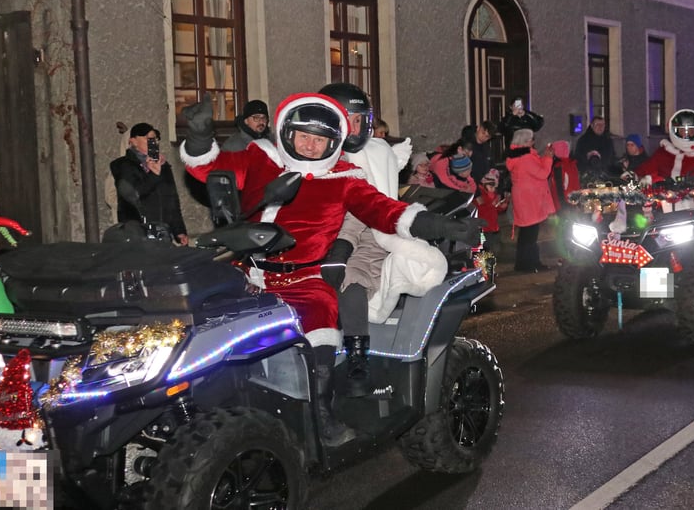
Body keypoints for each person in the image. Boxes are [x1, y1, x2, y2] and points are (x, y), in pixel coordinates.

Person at [179, 92, 480, 444]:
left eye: (319, 139)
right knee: (195, 323)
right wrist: (199, 138)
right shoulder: (261, 156)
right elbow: (210, 170)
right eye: (303, 136)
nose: (309, 145)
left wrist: (440, 226)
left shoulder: (345, 177)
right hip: (246, 271)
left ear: (333, 142)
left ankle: (319, 411)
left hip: (306, 277)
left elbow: (384, 209)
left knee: (321, 320)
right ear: (287, 132)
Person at [317, 82, 447, 398]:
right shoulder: (312, 153)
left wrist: (344, 245)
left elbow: (367, 207)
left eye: (358, 120)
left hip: (370, 232)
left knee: (352, 278)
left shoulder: (372, 153)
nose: (352, 128)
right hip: (323, 233)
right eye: (344, 120)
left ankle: (358, 357)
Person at [109, 122, 189, 245]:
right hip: (138, 233)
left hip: (162, 232)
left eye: (155, 139)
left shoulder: (163, 166)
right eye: (148, 139)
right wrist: (153, 175)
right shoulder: (124, 165)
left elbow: (172, 199)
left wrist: (179, 231)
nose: (154, 143)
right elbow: (135, 193)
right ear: (133, 141)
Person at [506, 128, 555, 272]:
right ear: (526, 141)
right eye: (532, 139)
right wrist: (548, 158)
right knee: (530, 233)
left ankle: (526, 263)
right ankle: (528, 264)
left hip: (524, 197)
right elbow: (542, 173)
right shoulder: (525, 158)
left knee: (527, 233)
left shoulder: (518, 156)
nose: (534, 142)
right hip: (529, 199)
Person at [474, 168, 508, 256]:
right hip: (482, 229)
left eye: (495, 187)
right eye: (491, 186)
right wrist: (492, 203)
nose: (493, 189)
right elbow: (482, 209)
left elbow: (494, 209)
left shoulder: (492, 194)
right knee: (481, 250)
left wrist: (501, 206)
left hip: (491, 228)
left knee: (489, 250)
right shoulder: (478, 195)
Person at [573, 116, 617, 181]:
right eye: (597, 125)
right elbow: (578, 158)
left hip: (606, 176)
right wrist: (588, 157)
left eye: (602, 125)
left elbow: (612, 158)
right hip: (589, 178)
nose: (600, 127)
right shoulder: (583, 140)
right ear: (592, 125)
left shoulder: (608, 140)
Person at [548, 140, 580, 212]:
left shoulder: (558, 166)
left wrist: (563, 206)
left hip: (563, 205)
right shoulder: (572, 164)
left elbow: (559, 188)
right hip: (573, 201)